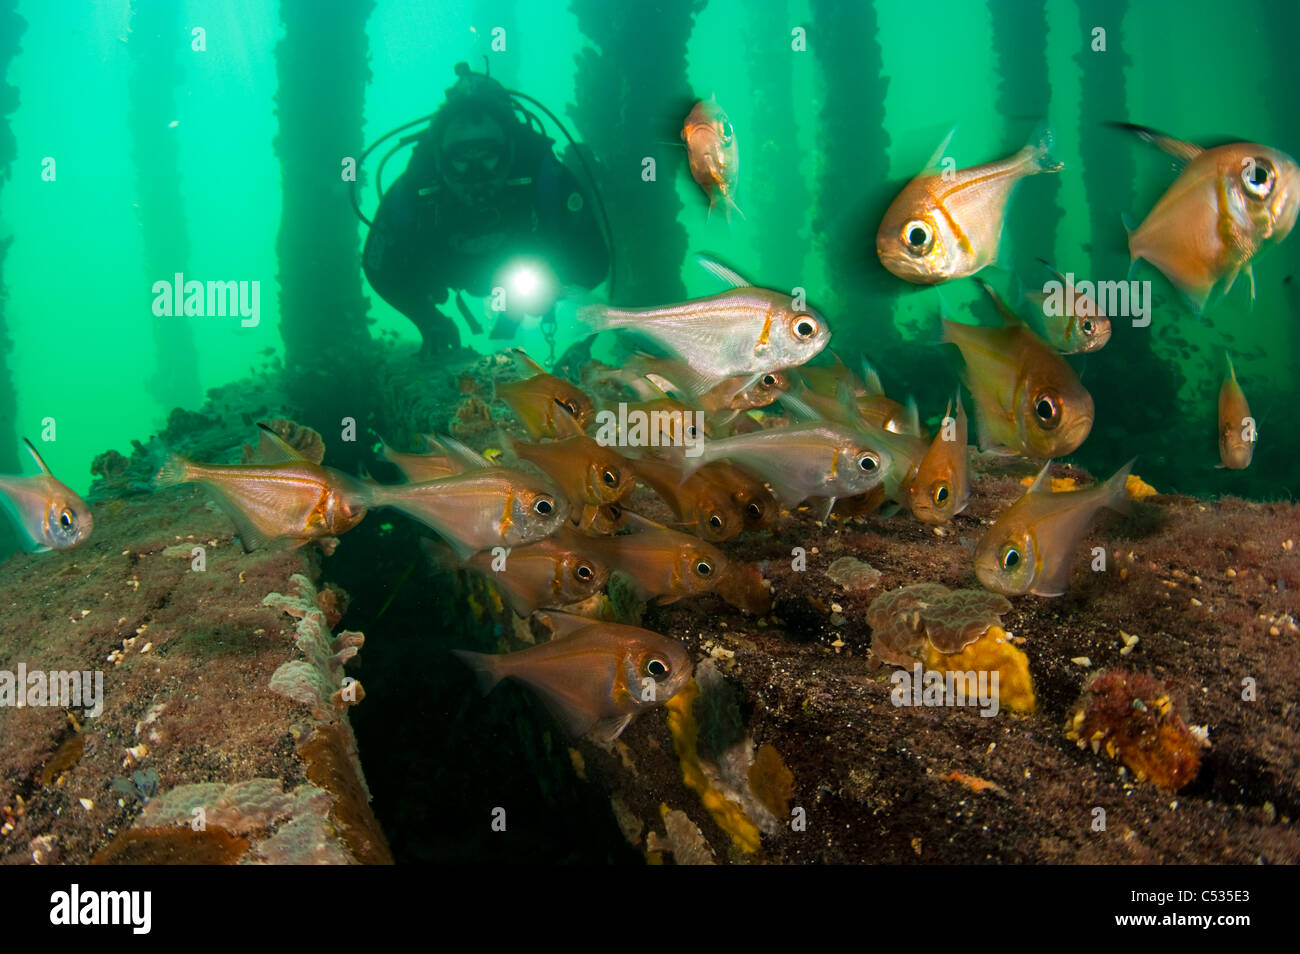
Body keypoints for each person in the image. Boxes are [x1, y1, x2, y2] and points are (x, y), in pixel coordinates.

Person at [362, 63, 609, 358]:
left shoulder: (547, 179)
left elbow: (595, 261)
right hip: (448, 272)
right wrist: (427, 318)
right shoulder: (414, 190)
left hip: (526, 269)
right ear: (440, 159)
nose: (476, 174)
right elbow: (377, 267)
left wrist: (556, 284)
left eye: (488, 155)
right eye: (461, 158)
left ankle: (511, 321)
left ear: (510, 153)